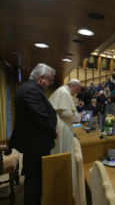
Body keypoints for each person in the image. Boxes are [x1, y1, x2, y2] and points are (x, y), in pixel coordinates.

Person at [9, 64, 58, 205]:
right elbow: (41, 117)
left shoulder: (29, 88)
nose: (51, 84)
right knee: (34, 181)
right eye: (50, 80)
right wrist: (53, 132)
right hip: (36, 145)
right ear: (41, 78)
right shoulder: (31, 90)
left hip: (34, 143)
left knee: (34, 179)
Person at [49, 79, 84, 154]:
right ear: (73, 85)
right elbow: (67, 114)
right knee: (63, 149)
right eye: (78, 89)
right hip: (62, 125)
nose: (77, 92)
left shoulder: (61, 90)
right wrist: (79, 117)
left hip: (59, 123)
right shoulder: (65, 93)